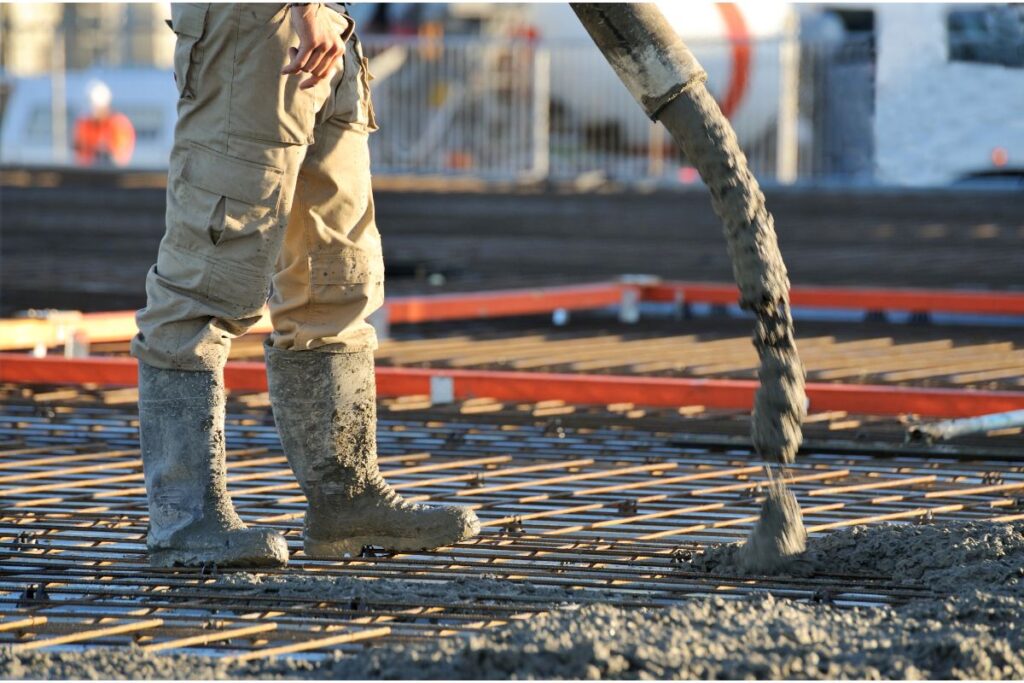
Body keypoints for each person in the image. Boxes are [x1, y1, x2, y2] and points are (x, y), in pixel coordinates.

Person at [131, 3, 479, 568]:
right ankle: (184, 518)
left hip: (325, 30)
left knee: (333, 278)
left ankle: (346, 501)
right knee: (207, 276)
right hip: (259, 25)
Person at [73, 80, 136, 166]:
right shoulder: (84, 123)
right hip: (87, 172)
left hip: (113, 172)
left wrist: (105, 152)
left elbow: (120, 154)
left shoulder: (118, 124)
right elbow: (80, 150)